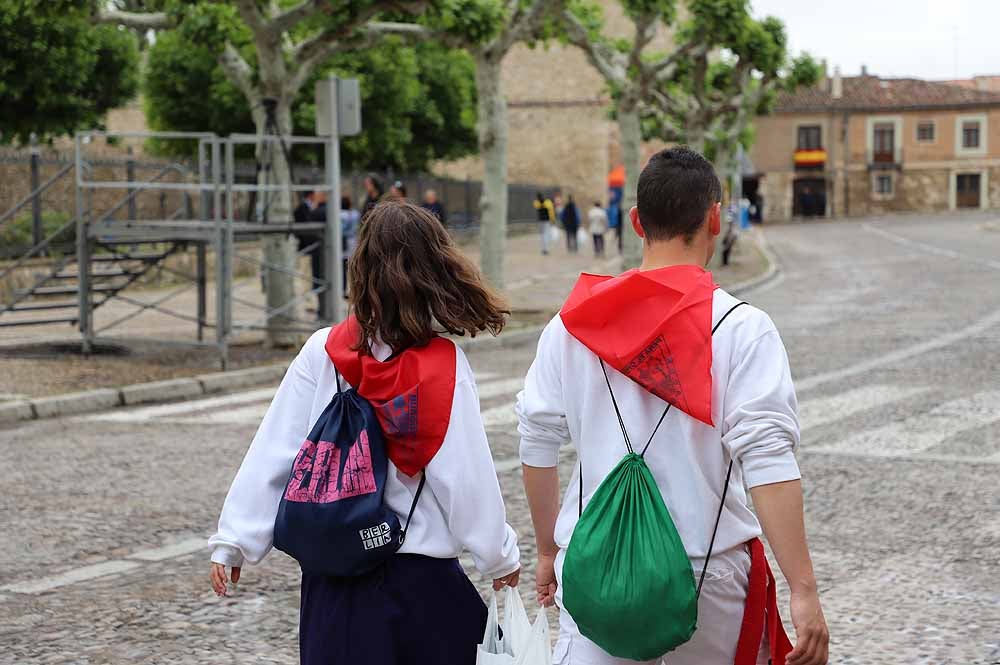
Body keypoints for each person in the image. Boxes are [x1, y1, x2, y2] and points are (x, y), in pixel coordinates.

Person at [518, 148, 828, 665]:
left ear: (637, 222)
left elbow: (536, 441)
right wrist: (803, 589)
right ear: (714, 218)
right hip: (705, 574)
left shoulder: (568, 328)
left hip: (596, 571)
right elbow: (768, 461)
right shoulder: (742, 329)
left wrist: (549, 550)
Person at [209, 200, 521, 665]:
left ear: (361, 269)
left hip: (335, 576)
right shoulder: (443, 366)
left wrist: (235, 540)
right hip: (421, 577)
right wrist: (498, 556)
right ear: (435, 269)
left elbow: (279, 447)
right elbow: (464, 474)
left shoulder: (323, 351)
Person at [340, 195, 360, 297]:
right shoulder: (355, 214)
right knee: (353, 269)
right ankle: (353, 289)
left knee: (342, 268)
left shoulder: (339, 215)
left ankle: (343, 289)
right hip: (353, 242)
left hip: (343, 243)